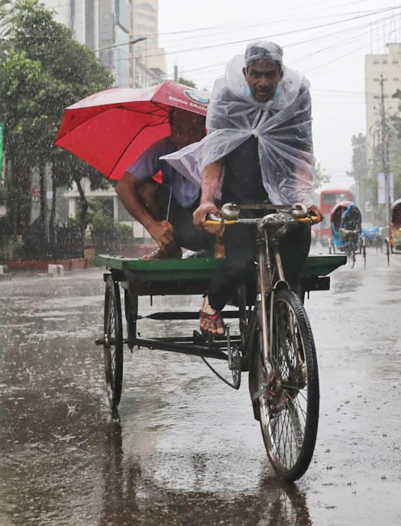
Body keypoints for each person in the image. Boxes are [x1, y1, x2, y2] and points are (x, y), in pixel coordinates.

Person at [165, 41, 319, 336]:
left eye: (270, 74)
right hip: (241, 194)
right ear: (246, 71)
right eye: (256, 74)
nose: (263, 82)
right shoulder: (227, 96)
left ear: (280, 72)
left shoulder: (297, 95)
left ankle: (284, 329)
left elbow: (301, 151)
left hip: (285, 198)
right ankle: (211, 304)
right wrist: (207, 200)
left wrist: (304, 198)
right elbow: (215, 153)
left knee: (294, 264)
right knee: (239, 262)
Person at [114, 109, 210, 259]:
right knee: (144, 189)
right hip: (178, 220)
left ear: (204, 132)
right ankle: (169, 247)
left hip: (210, 223)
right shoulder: (164, 148)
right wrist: (151, 225)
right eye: (179, 130)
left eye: (193, 131)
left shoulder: (213, 149)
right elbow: (123, 186)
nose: (185, 138)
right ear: (171, 130)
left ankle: (220, 249)